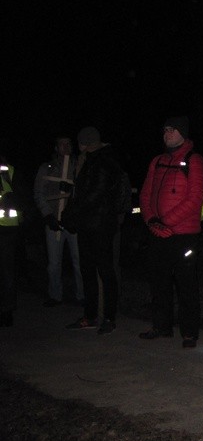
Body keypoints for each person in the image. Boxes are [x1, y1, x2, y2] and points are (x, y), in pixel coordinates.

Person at [138, 116, 203, 349]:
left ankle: (189, 332)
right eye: (165, 130)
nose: (166, 134)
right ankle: (161, 326)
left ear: (182, 134)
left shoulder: (194, 160)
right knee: (159, 282)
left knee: (186, 284)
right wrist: (151, 221)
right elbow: (146, 194)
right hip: (158, 233)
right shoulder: (157, 161)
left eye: (171, 130)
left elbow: (194, 199)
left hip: (184, 235)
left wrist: (166, 222)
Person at [61, 127, 126, 335]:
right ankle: (90, 315)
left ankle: (109, 317)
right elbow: (81, 191)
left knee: (105, 271)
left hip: (101, 225)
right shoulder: (87, 160)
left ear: (85, 142)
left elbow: (95, 193)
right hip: (87, 224)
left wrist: (73, 212)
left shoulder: (105, 160)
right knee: (87, 270)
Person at [33, 136, 84, 307]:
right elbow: (39, 193)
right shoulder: (46, 168)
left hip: (73, 222)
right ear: (56, 147)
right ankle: (55, 295)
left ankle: (82, 296)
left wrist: (73, 190)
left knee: (79, 261)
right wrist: (48, 215)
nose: (65, 147)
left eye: (68, 143)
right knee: (54, 263)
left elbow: (87, 190)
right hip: (54, 221)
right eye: (61, 144)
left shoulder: (78, 166)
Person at [0, 155, 28, 327]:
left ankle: (6, 311)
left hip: (7, 230)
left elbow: (24, 197)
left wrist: (13, 200)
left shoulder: (10, 170)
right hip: (9, 230)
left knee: (6, 272)